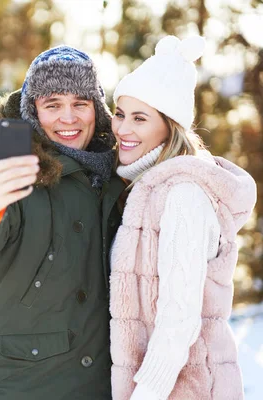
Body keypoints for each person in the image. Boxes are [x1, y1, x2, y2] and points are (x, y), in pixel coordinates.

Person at [0, 45, 126, 399]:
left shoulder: (117, 176)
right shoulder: (9, 174)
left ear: (96, 111)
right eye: (53, 104)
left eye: (80, 103)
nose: (68, 118)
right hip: (15, 386)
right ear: (33, 111)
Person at [109, 35, 257, 400]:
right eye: (120, 114)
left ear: (169, 125)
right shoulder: (147, 189)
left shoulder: (183, 195)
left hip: (186, 389)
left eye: (139, 118)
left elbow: (179, 317)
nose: (123, 129)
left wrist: (145, 395)